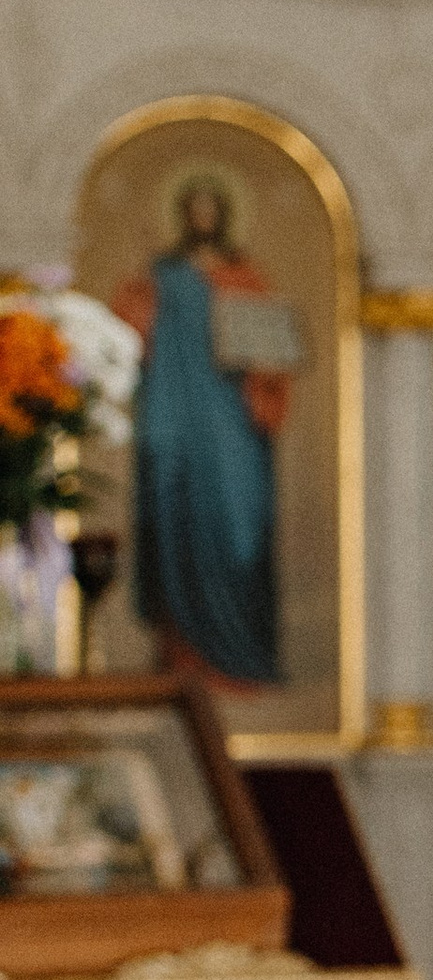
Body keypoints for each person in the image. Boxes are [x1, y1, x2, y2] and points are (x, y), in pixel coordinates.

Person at [113, 173, 300, 689]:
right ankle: (183, 656)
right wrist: (143, 289)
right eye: (191, 208)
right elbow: (123, 340)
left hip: (232, 429)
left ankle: (240, 658)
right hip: (177, 422)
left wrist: (267, 361)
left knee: (237, 529)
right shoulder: (162, 275)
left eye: (208, 208)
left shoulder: (245, 279)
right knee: (177, 524)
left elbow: (274, 355)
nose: (201, 217)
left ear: (221, 214)